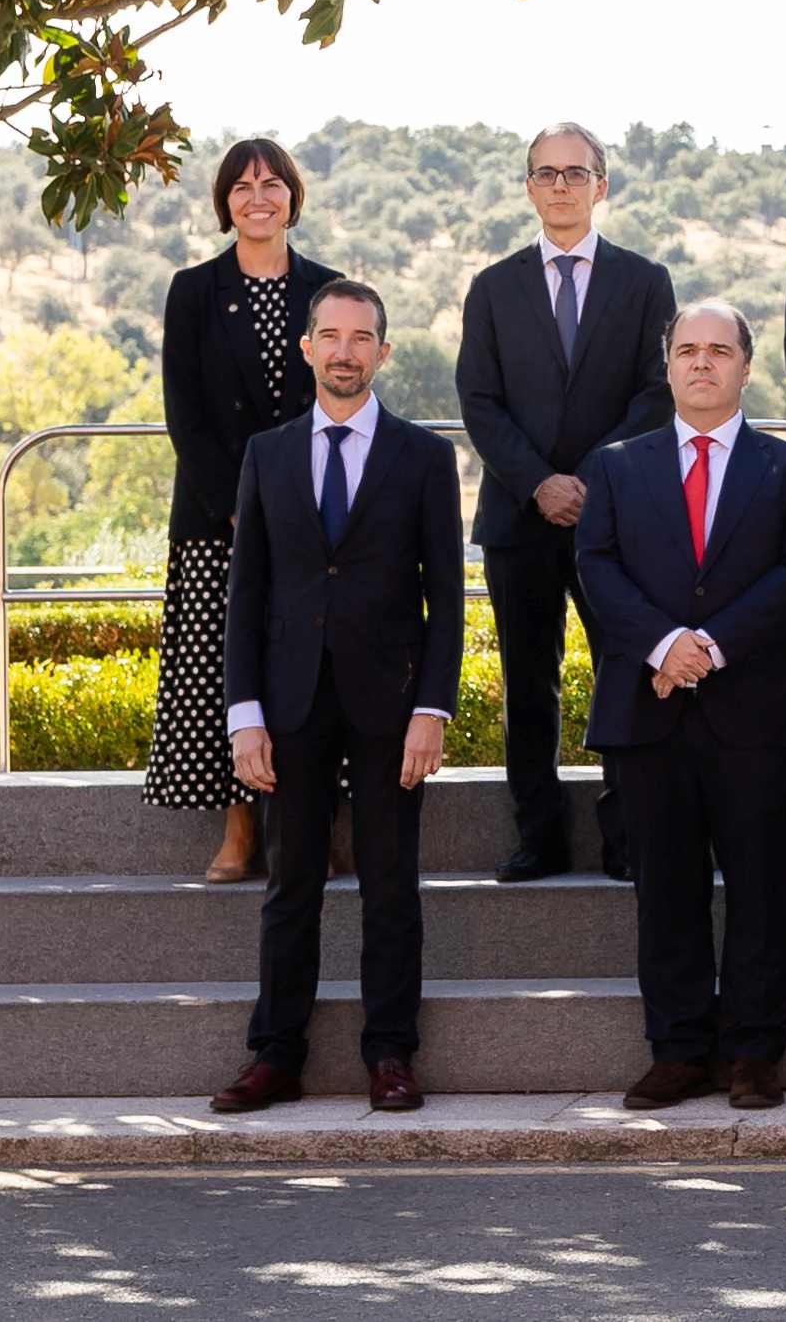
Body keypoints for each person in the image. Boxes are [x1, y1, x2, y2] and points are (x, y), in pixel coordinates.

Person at [207, 279, 461, 1115]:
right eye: (331, 335)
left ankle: (391, 1052)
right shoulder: (267, 453)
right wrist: (244, 714)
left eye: (361, 337)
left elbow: (447, 597)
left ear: (383, 351)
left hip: (391, 702)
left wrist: (432, 709)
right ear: (308, 347)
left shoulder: (423, 457)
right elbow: (246, 594)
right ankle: (275, 1055)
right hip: (288, 702)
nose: (345, 351)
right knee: (291, 883)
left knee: (391, 883)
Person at [572, 300, 786, 1112]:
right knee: (665, 887)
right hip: (648, 712)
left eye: (720, 349)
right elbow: (597, 566)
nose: (703, 362)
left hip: (758, 710)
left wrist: (708, 646)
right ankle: (677, 1049)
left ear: (747, 366)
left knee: (761, 884)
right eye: (688, 349)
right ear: (667, 364)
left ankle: (754, 1050)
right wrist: (663, 644)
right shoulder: (616, 465)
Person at [455, 121, 676, 883]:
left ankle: (628, 835)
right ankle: (538, 838)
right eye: (546, 172)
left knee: (626, 669)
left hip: (614, 516)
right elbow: (478, 400)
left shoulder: (645, 282)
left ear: (600, 185)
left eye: (575, 172)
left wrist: (587, 480)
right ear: (528, 187)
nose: (560, 185)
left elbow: (657, 393)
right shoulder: (492, 286)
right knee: (528, 682)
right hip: (519, 516)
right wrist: (539, 482)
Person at [152, 137, 334, 884]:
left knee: (315, 662)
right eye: (242, 187)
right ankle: (238, 826)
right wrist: (237, 508)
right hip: (213, 516)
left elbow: (339, 400)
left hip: (312, 514)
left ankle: (319, 819)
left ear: (293, 196)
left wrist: (292, 508)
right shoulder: (193, 290)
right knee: (217, 669)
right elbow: (185, 413)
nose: (258, 198)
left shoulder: (328, 288)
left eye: (272, 184)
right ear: (225, 203)